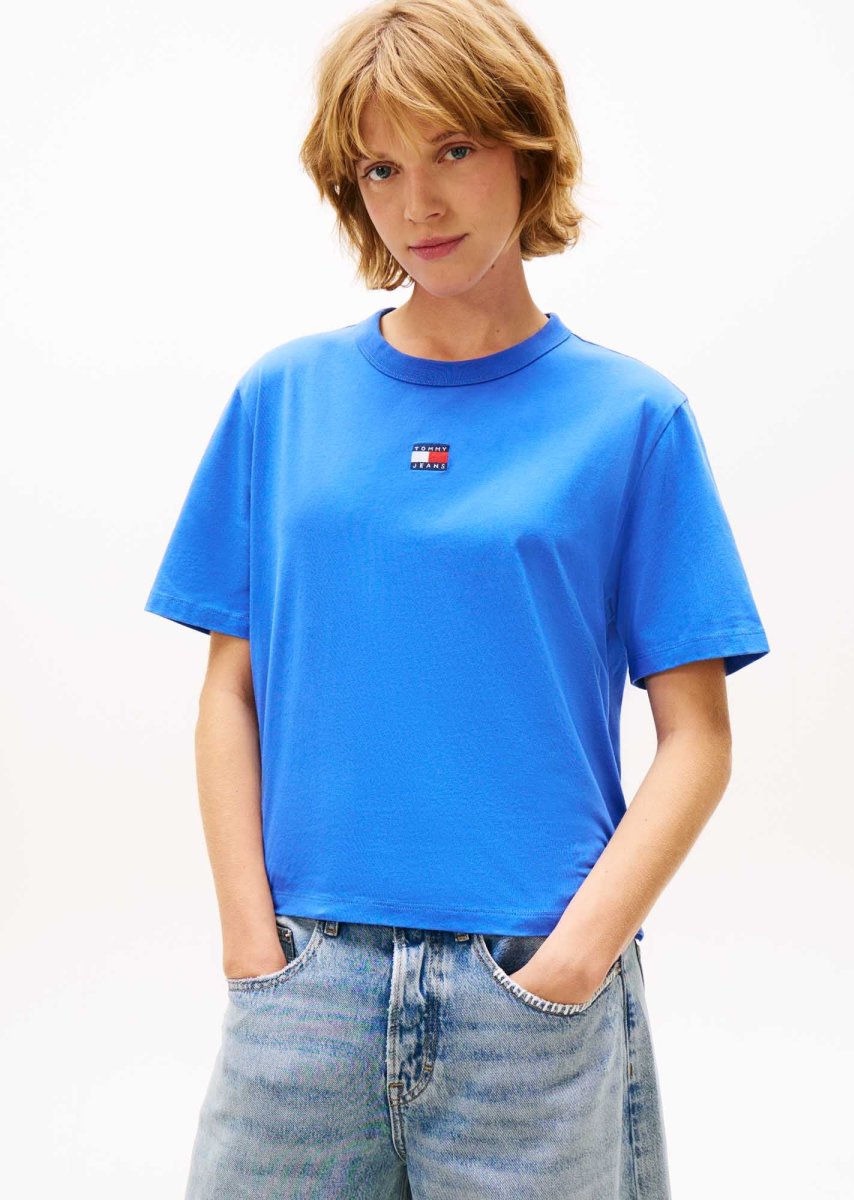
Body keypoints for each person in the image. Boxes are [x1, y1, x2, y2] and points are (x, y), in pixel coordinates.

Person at [144, 1, 770, 1196]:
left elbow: (698, 738)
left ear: (528, 150)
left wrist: (571, 964)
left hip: (527, 986)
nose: (417, 203)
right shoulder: (284, 400)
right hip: (303, 983)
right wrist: (250, 944)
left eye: (453, 150)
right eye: (380, 168)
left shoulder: (632, 420)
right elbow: (229, 690)